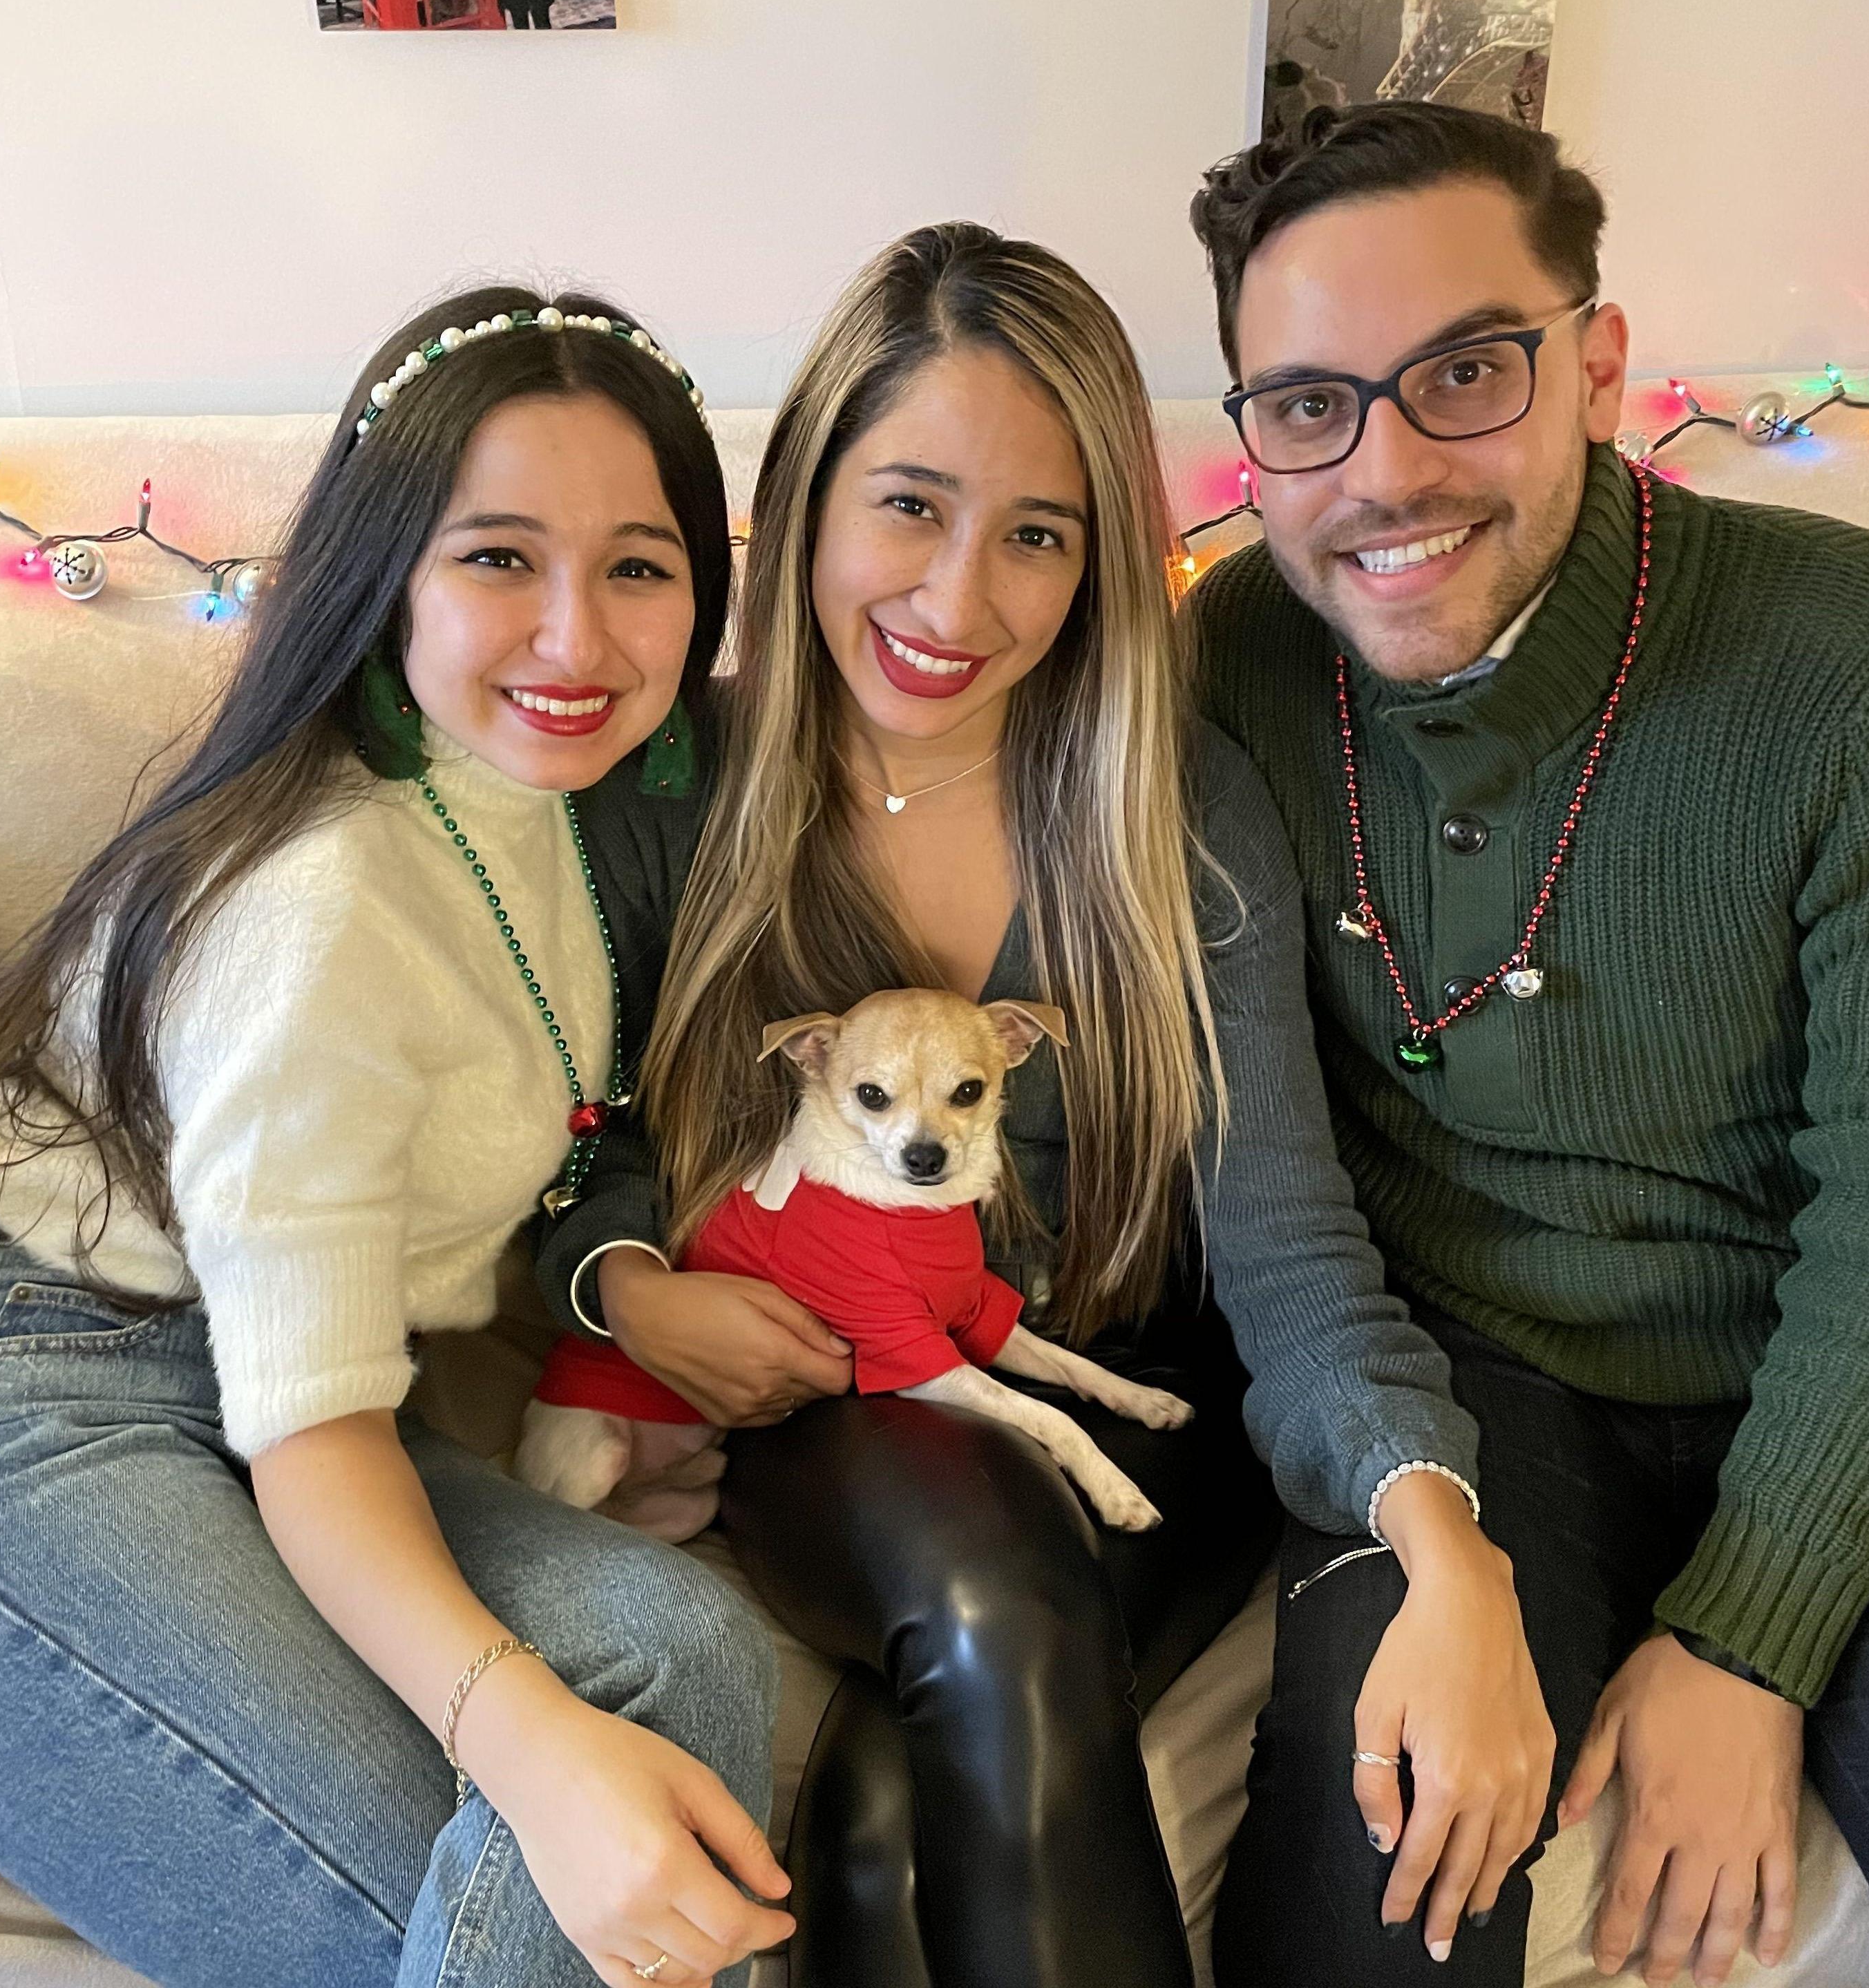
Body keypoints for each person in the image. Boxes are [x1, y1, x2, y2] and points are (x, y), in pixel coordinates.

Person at [531, 221, 1485, 1988]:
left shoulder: (1175, 809)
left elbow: (1285, 1237)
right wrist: (631, 1286)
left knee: (880, 1832)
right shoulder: (671, 782)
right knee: (986, 1600)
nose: (958, 603)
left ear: (1100, 559)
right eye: (910, 506)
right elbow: (574, 1141)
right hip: (849, 1392)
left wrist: (1439, 1520)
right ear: (802, 501)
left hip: (1140, 1390)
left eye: (1037, 535)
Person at [1181, 100, 1869, 1987]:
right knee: (1374, 1903)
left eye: (1466, 373)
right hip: (1473, 1378)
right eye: (1310, 404)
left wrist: (1749, 1641)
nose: (1386, 471)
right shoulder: (1230, 663)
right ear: (1251, 435)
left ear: (1596, 366)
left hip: (1850, 1350)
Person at [0, 285, 792, 1988]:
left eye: (639, 567)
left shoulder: (541, 820)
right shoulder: (323, 899)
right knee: (474, 1911)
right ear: (382, 576)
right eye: (499, 558)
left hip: (275, 1396)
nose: (577, 637)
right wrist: (530, 1747)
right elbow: (312, 1430)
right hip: (55, 1393)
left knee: (686, 1651)